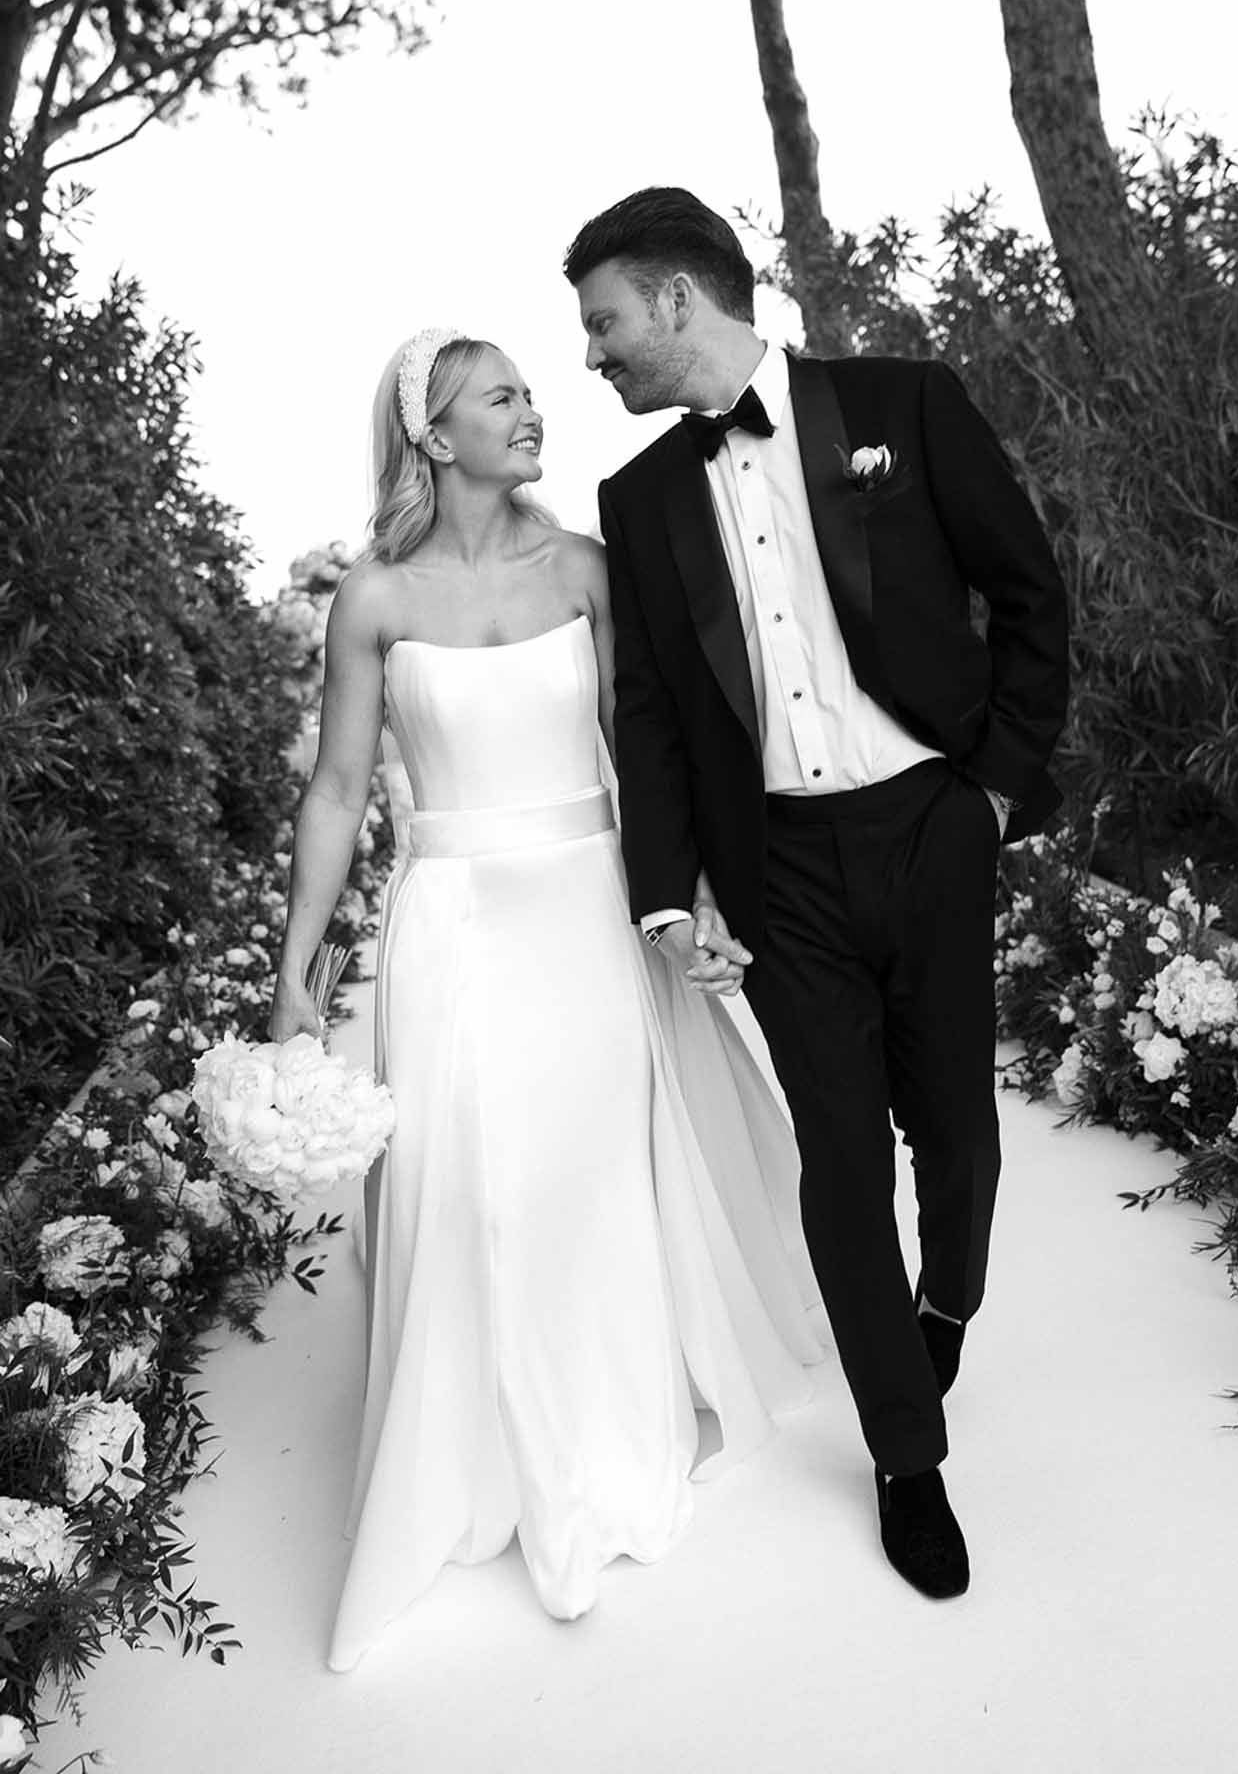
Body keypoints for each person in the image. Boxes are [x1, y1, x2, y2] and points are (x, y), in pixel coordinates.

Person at [269, 327, 822, 1673]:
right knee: (481, 1187)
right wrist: (291, 977)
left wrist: (692, 899)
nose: (532, 411)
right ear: (434, 436)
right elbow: (339, 790)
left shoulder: (584, 568)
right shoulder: (375, 601)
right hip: (451, 921)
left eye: (527, 391)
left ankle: (604, 1436)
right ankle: (486, 1462)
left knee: (589, 1173)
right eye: (501, 396)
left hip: (585, 904)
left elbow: (652, 752)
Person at [568, 187, 1070, 1602]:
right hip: (775, 870)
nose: (594, 356)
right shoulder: (638, 498)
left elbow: (1028, 595)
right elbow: (653, 714)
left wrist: (989, 792)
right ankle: (905, 1457)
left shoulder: (903, 406)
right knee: (840, 1160)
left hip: (929, 823)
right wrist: (670, 895)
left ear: (677, 300)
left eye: (604, 324)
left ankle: (946, 1300)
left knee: (953, 1130)